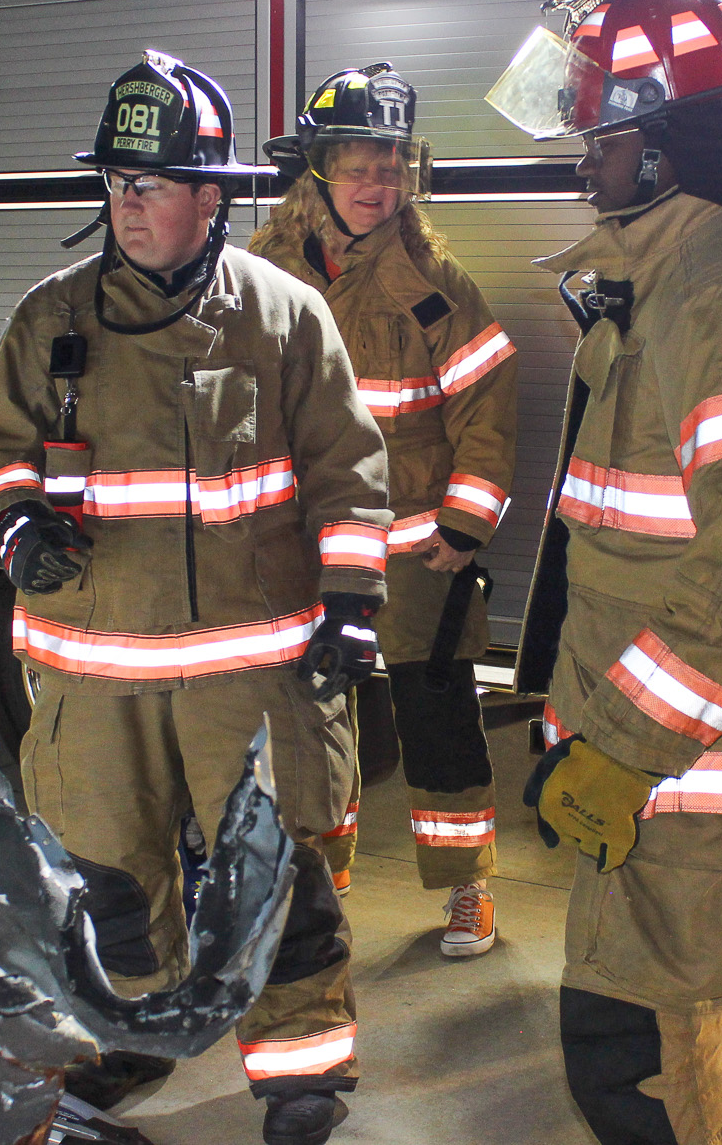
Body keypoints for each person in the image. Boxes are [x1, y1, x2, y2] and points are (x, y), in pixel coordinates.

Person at [0, 50, 391, 1145]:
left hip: (253, 675)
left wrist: (350, 601)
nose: (127, 205)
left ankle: (300, 1074)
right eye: (115, 183)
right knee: (103, 887)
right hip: (95, 677)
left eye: (148, 184)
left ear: (209, 195)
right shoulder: (50, 318)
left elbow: (348, 471)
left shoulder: (283, 316)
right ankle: (126, 1040)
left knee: (278, 882)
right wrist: (10, 521)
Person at [496, 0, 722, 1145]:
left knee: (643, 1055)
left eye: (598, 141)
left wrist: (619, 752)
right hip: (694, 763)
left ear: (662, 147)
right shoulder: (691, 267)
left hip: (689, 768)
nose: (581, 166)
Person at [254, 64, 519, 958]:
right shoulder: (262, 271)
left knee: (437, 716)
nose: (379, 185)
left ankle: (468, 886)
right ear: (318, 170)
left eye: (393, 166)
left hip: (413, 551)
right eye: (359, 167)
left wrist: (465, 521)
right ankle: (322, 880)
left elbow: (487, 402)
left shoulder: (432, 282)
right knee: (313, 719)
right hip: (301, 547)